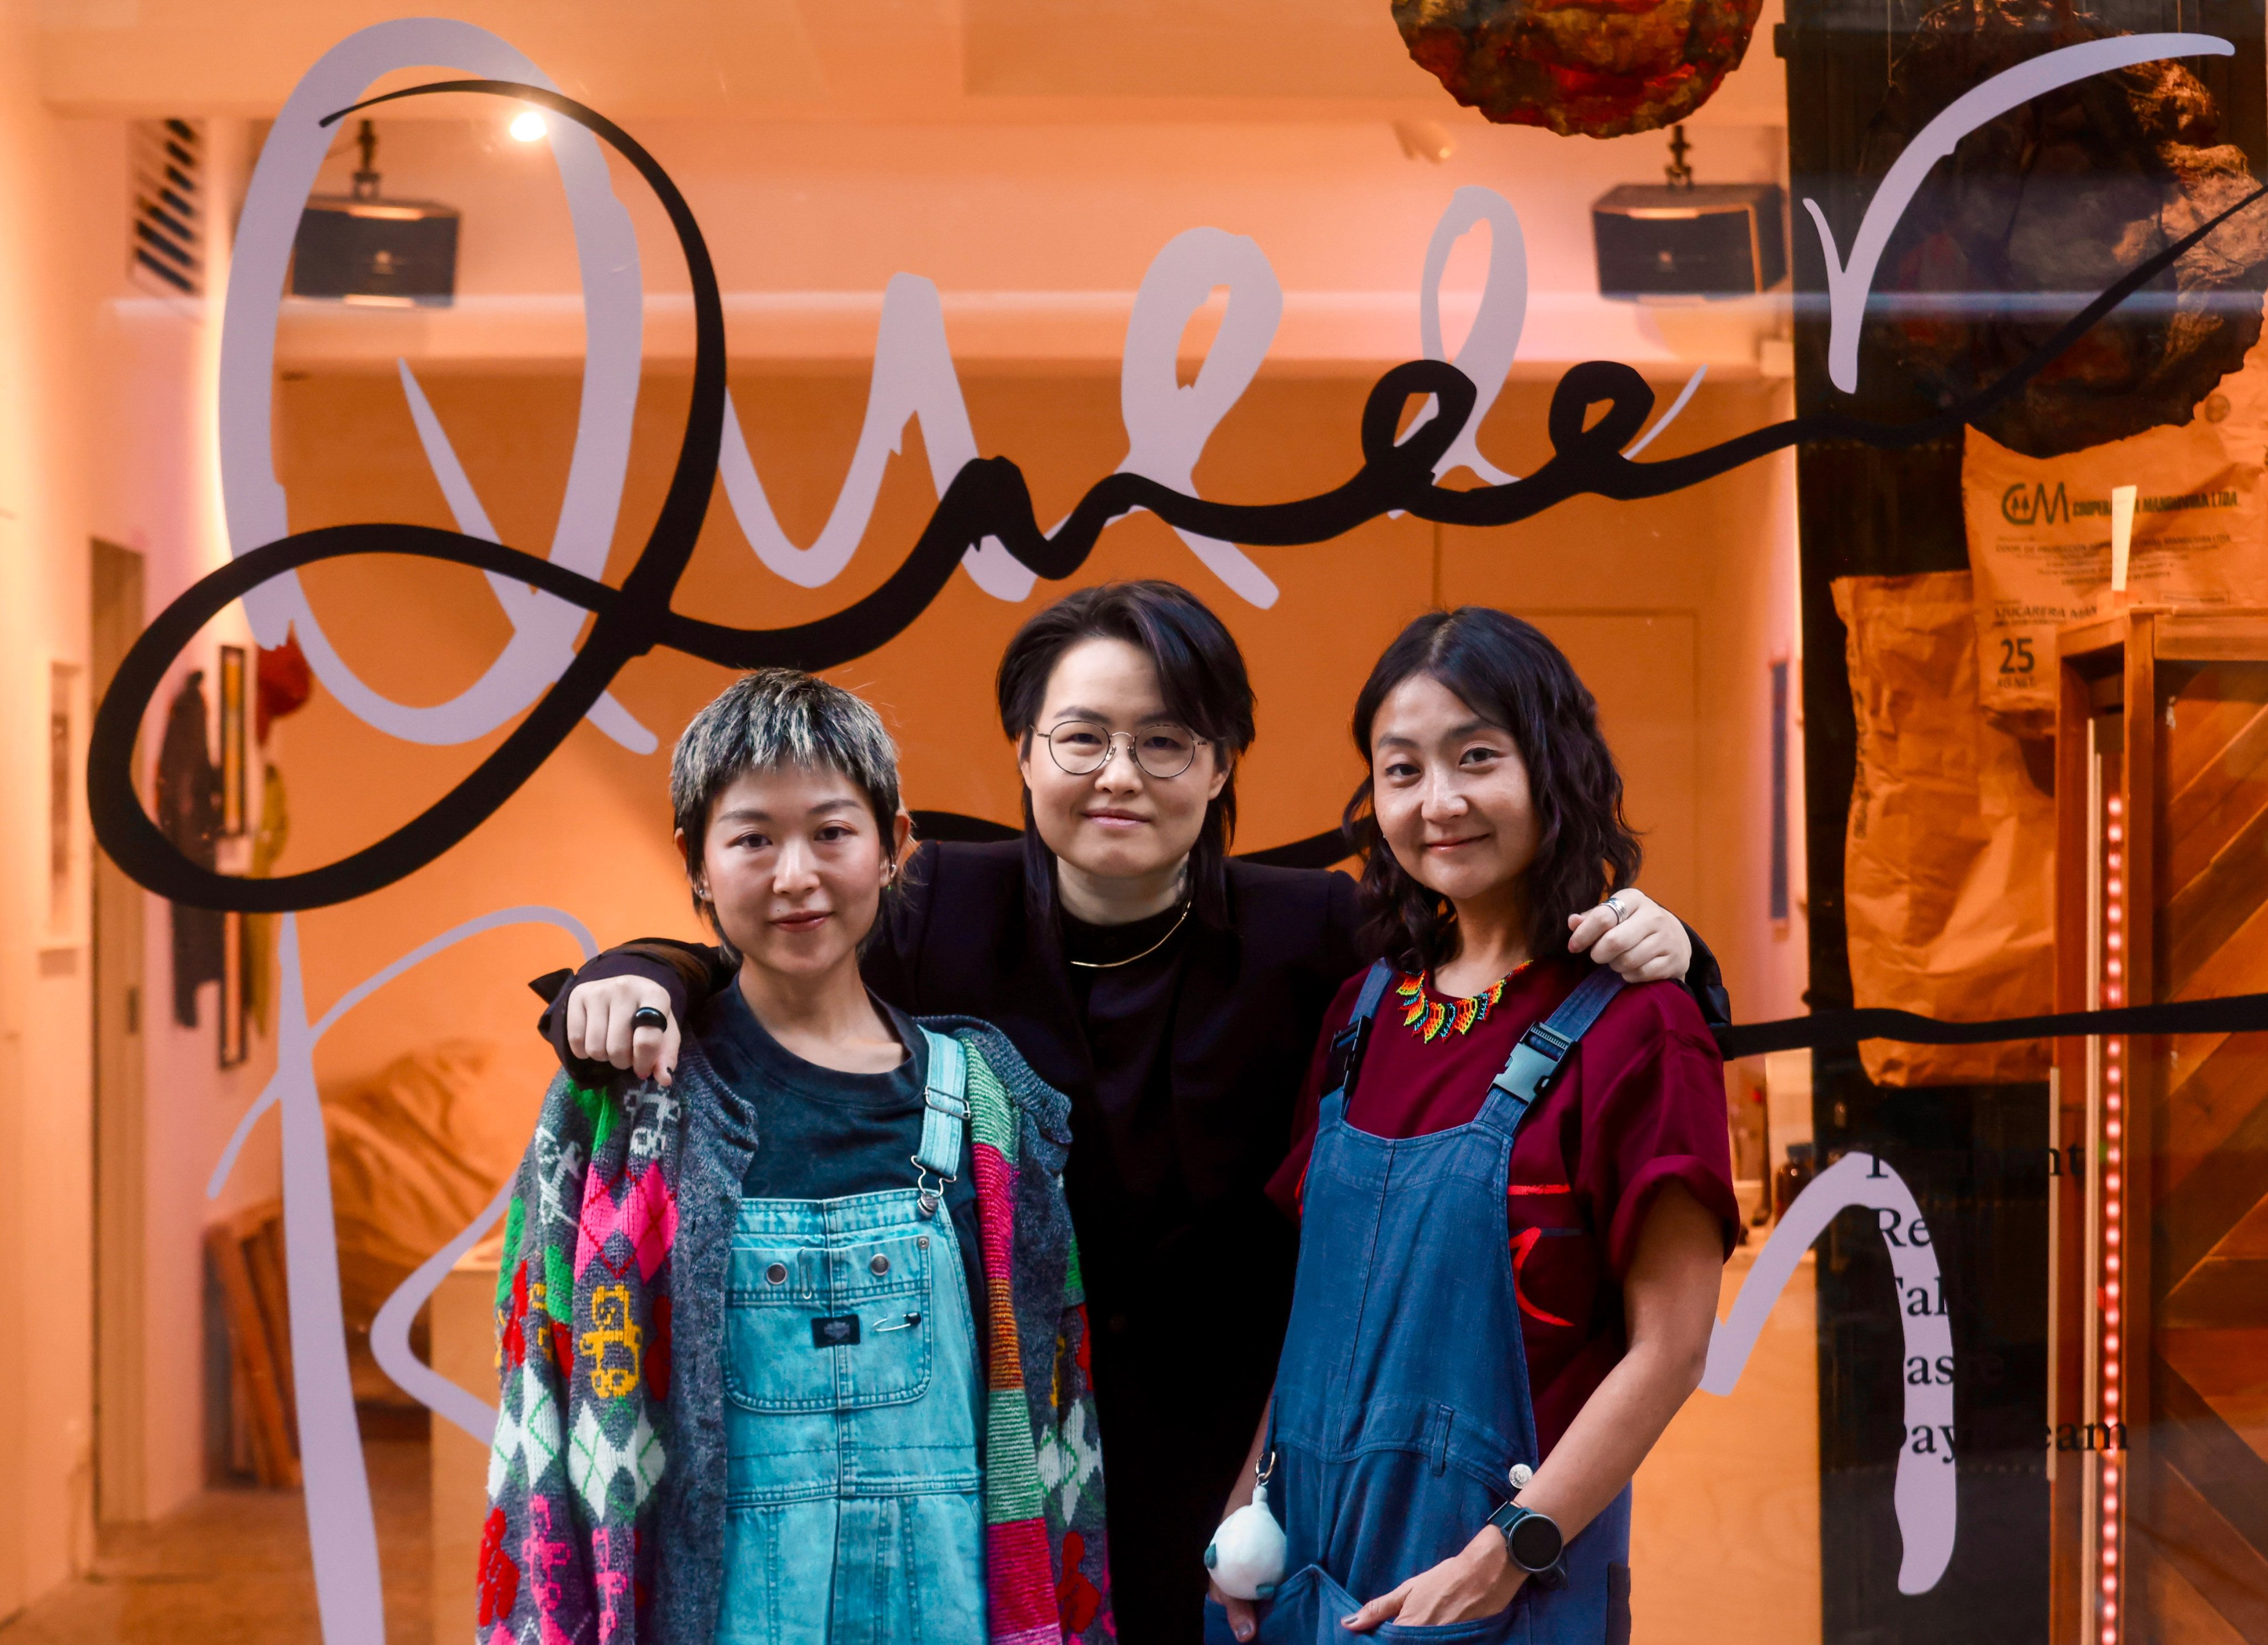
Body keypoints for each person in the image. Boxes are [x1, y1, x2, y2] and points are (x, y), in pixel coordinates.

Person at [532, 582, 1722, 1641]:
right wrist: (636, 971)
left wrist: (1676, 951)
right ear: (1024, 752)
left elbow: (1501, 955)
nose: (1119, 774)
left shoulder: (1312, 928)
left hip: (1250, 1478)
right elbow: (768, 945)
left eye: (1165, 741)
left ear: (1220, 765)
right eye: (1082, 736)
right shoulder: (933, 904)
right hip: (995, 1457)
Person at [485, 670, 1110, 1645]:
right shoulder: (629, 1111)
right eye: (752, 839)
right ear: (696, 861)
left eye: (831, 832)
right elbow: (541, 1389)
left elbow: (1056, 1417)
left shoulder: (985, 1105)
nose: (795, 875)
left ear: (892, 845)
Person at [1205, 607, 1735, 1644]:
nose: (1439, 802)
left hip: (1497, 1593)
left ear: (1554, 766)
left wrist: (1500, 1559)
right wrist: (1247, 1501)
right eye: (1402, 769)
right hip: (1298, 1573)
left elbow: (1672, 1349)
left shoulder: (1641, 1027)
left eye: (1477, 757)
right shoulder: (1361, 1014)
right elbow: (1322, 1315)